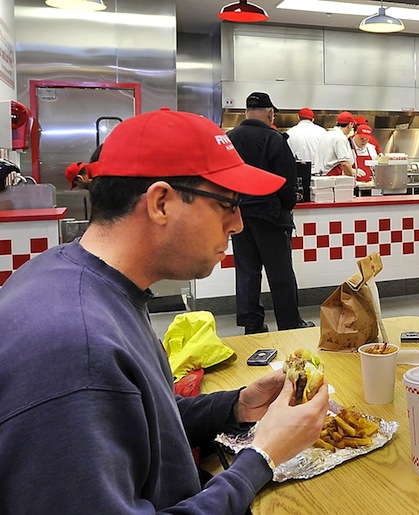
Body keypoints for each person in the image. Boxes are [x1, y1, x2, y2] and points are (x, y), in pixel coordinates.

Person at [0, 107, 330, 513]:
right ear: (160, 203)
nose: (238, 224)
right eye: (228, 203)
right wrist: (261, 457)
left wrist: (236, 405)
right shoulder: (76, 348)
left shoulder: (82, 279)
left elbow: (141, 418)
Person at [227, 92, 313, 333]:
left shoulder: (229, 139)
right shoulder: (274, 139)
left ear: (246, 112)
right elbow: (286, 182)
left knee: (246, 271)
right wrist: (287, 206)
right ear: (270, 113)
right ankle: (289, 322)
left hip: (239, 216)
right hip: (270, 215)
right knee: (280, 272)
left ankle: (251, 324)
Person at [286, 107, 327, 172]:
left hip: (298, 172)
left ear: (298, 118)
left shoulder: (289, 133)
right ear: (313, 119)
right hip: (318, 172)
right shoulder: (322, 132)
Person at [315, 111, 356, 176]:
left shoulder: (326, 134)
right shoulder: (340, 137)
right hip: (331, 177)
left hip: (320, 175)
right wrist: (351, 178)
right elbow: (344, 163)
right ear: (350, 124)